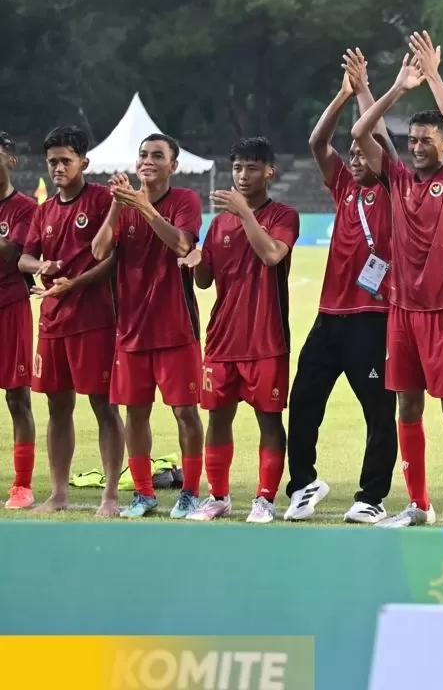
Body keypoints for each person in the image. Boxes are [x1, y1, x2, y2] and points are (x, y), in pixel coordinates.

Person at [353, 31, 443, 529]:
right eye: (412, 141)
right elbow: (365, 131)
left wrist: (433, 76)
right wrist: (397, 88)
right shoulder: (398, 178)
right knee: (406, 406)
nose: (418, 147)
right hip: (401, 315)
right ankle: (418, 504)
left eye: (428, 141)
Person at [284, 49, 398, 525]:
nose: (353, 157)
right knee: (304, 400)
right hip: (330, 317)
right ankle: (304, 483)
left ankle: (371, 496)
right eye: (350, 153)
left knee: (377, 411)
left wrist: (368, 91)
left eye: (361, 152)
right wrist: (343, 93)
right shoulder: (344, 188)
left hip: (372, 319)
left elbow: (382, 141)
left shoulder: (397, 188)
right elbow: (317, 141)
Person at [182, 138, 299, 524]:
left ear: (270, 171)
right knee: (218, 418)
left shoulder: (284, 215)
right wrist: (194, 261)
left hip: (266, 340)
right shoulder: (219, 224)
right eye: (237, 168)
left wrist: (246, 213)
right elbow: (203, 282)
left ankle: (265, 499)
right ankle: (218, 497)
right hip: (221, 340)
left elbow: (270, 255)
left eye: (251, 167)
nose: (242, 175)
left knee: (268, 419)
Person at [92, 134, 206, 519]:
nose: (148, 161)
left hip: (176, 328)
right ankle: (143, 493)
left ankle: (190, 491)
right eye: (143, 154)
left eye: (158, 155)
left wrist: (143, 207)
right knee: (135, 413)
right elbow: (99, 250)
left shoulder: (185, 200)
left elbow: (182, 246)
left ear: (173, 165)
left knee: (185, 413)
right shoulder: (122, 206)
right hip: (132, 330)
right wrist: (116, 204)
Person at [17, 126, 122, 516]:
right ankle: (59, 492)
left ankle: (110, 495)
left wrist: (74, 283)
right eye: (52, 161)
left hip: (94, 320)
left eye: (65, 160)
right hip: (52, 321)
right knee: (58, 407)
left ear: (84, 161)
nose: (58, 167)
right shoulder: (43, 210)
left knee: (103, 406)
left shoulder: (100, 200)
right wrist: (42, 264)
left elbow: (114, 258)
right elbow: (23, 258)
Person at [0, 132, 39, 509]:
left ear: (10, 160)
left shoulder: (25, 209)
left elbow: (12, 253)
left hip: (10, 307)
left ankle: (22, 485)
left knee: (17, 398)